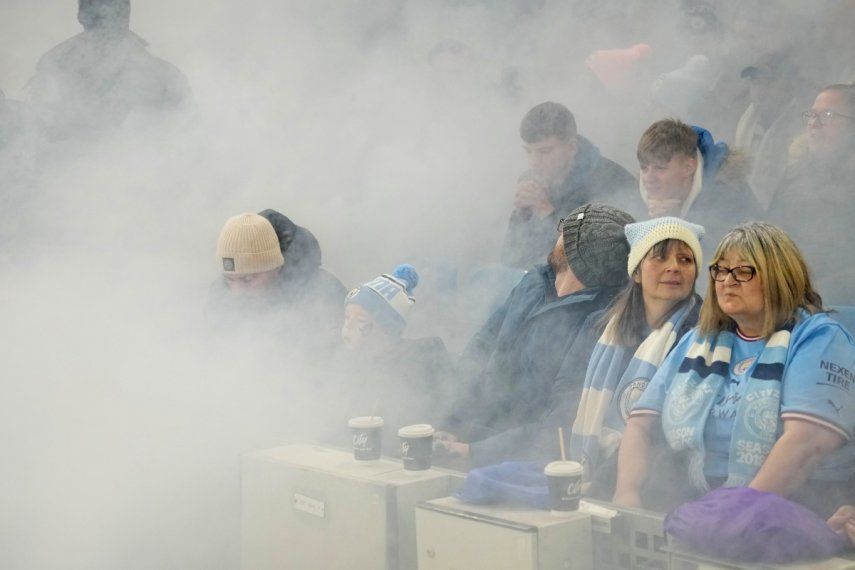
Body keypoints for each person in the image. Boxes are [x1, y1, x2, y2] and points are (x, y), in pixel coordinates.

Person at [613, 222, 855, 517]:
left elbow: (807, 444)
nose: (728, 281)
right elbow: (640, 424)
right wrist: (627, 494)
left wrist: (736, 515)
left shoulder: (819, 337)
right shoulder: (700, 340)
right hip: (699, 499)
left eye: (743, 271)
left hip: (793, 505)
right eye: (721, 270)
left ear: (779, 276)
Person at [438, 204, 635, 468]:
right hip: (473, 430)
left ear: (575, 253)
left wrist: (474, 452)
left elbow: (563, 420)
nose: (556, 236)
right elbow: (480, 349)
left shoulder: (601, 319)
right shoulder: (534, 280)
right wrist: (452, 423)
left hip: (519, 457)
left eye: (564, 231)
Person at [500, 102, 642, 269]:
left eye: (544, 152)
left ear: (571, 147)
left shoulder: (611, 182)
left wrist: (548, 214)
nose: (534, 162)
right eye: (528, 151)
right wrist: (522, 217)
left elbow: (593, 261)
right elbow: (510, 259)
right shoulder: (530, 179)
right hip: (538, 282)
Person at [332, 265, 454, 453]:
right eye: (347, 317)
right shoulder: (350, 365)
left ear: (387, 331)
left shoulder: (418, 367)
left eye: (361, 321)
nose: (348, 327)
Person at [27, 0, 190, 138]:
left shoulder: (164, 76)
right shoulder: (55, 68)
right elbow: (38, 135)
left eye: (119, 4)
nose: (112, 12)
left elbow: (188, 136)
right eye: (101, 4)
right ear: (81, 14)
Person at [767, 84, 855, 305]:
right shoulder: (795, 174)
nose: (813, 124)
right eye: (811, 115)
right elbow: (768, 235)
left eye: (827, 116)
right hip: (787, 300)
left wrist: (816, 290)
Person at [207, 210, 346, 348]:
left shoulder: (323, 293)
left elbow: (345, 358)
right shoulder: (220, 295)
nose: (237, 292)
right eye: (229, 279)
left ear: (276, 267)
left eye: (248, 279)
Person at [636, 118, 761, 256]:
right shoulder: (646, 195)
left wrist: (675, 226)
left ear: (688, 167)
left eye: (660, 168)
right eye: (644, 168)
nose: (648, 178)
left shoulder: (730, 198)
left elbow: (727, 264)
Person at [733, 52, 807, 211]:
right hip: (746, 206)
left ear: (788, 87)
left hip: (787, 208)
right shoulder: (747, 118)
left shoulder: (803, 123)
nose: (760, 90)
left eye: (769, 82)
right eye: (755, 82)